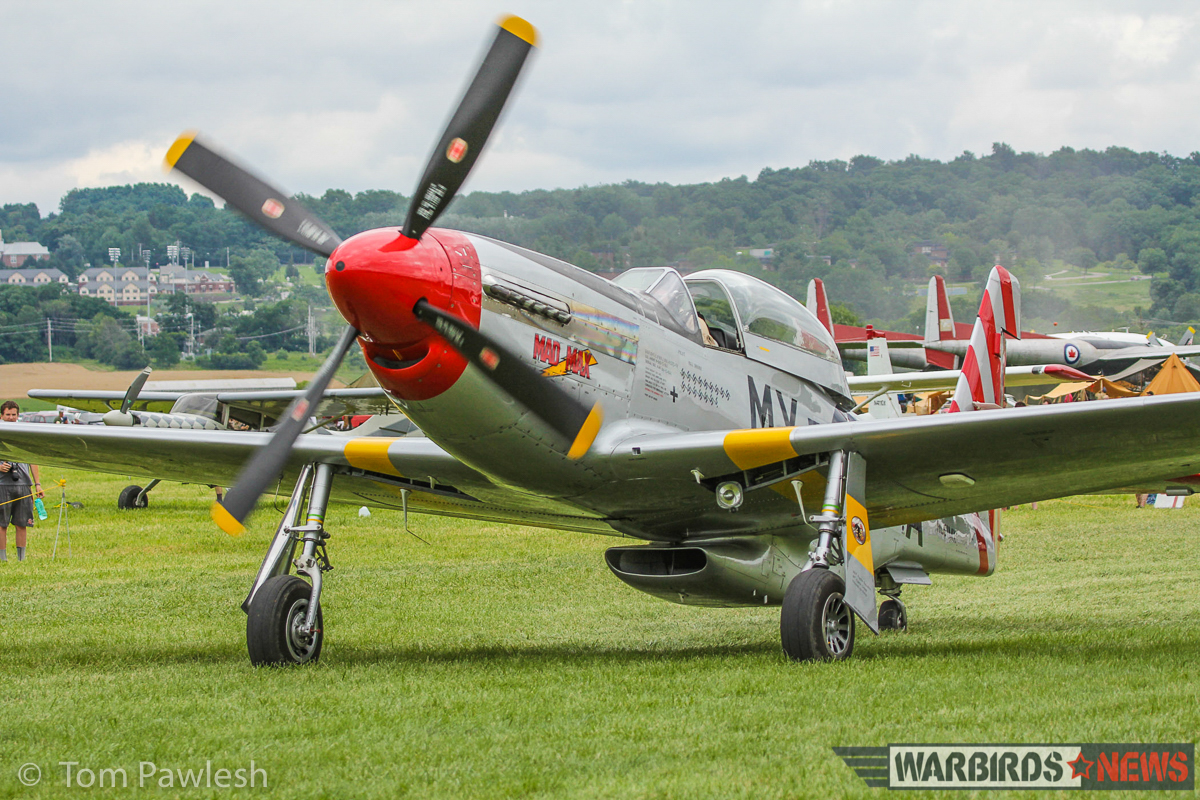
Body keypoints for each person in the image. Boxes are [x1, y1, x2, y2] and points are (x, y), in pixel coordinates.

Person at [0, 401, 44, 563]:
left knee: (22, 524)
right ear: (1, 416)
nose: (11, 418)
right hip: (2, 486)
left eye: (13, 415)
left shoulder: (25, 433)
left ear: (18, 416)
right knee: (1, 524)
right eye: (7, 415)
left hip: (24, 485)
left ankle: (21, 559)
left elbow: (33, 460)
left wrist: (37, 483)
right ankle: (3, 559)